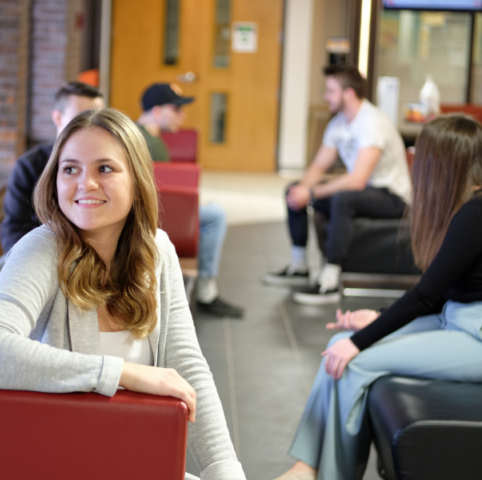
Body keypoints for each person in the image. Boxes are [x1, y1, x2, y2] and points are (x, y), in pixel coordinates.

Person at [0, 108, 246, 480]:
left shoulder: (158, 250)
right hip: (59, 463)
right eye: (70, 169)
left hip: (137, 459)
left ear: (137, 179)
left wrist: (223, 469)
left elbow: (187, 365)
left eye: (105, 169)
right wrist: (123, 374)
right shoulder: (42, 248)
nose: (86, 183)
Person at [271, 114, 482, 480]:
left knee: (352, 360)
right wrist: (377, 318)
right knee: (337, 346)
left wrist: (360, 340)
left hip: (474, 335)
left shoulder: (475, 213)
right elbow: (439, 292)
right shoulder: (467, 209)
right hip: (456, 318)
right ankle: (306, 466)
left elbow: (425, 295)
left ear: (439, 164)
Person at [263, 64, 412, 305]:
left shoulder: (372, 122)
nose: (325, 96)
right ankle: (299, 266)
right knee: (293, 189)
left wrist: (311, 193)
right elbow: (318, 167)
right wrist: (302, 190)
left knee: (344, 198)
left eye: (331, 91)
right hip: (366, 192)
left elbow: (357, 180)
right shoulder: (339, 124)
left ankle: (330, 280)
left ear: (349, 93)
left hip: (392, 195)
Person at [137, 83, 243, 319]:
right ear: (157, 111)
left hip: (158, 211)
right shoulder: (146, 142)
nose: (182, 115)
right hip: (152, 216)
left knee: (207, 209)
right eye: (176, 109)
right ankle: (206, 291)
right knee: (215, 216)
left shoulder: (146, 136)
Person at [0, 82, 105, 252]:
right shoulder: (30, 166)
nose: (90, 125)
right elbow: (14, 228)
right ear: (57, 118)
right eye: (81, 118)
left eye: (97, 118)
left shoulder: (107, 164)